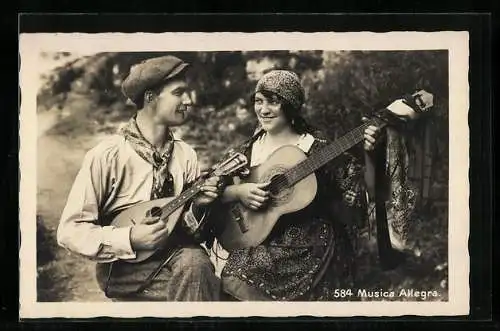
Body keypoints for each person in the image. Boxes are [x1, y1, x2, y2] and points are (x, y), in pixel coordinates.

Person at [57, 55, 223, 301]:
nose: (188, 101)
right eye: (179, 93)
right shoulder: (108, 155)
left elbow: (188, 231)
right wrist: (130, 238)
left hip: (175, 258)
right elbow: (69, 231)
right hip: (123, 267)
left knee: (198, 267)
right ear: (150, 98)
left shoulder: (185, 154)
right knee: (202, 276)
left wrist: (198, 206)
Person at [212, 69, 384, 301]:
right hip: (262, 238)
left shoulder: (317, 148)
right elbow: (210, 188)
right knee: (234, 273)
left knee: (239, 273)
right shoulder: (250, 148)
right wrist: (238, 191)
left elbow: (367, 195)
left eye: (273, 102)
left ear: (290, 106)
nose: (263, 110)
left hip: (310, 244)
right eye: (259, 101)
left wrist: (371, 155)